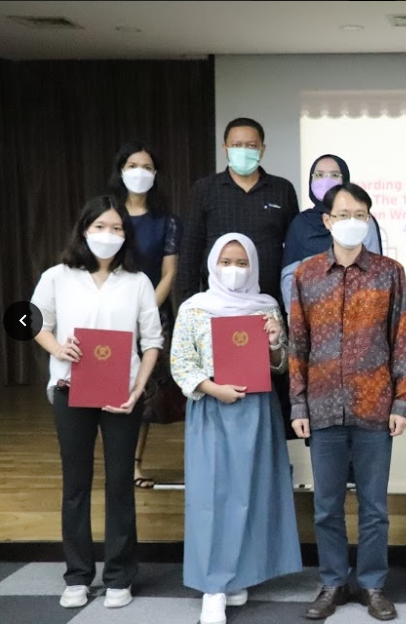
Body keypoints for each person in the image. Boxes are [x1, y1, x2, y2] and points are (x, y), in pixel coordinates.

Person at [31, 195, 163, 610]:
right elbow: (31, 320)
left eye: (117, 228)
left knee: (120, 483)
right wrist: (58, 347)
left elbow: (153, 342)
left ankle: (120, 575)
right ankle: (77, 575)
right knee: (76, 483)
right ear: (84, 230)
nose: (109, 234)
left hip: (122, 394)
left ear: (126, 235)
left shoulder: (138, 282)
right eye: (100, 227)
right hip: (70, 389)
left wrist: (138, 389)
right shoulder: (57, 276)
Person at [289, 183, 406, 622]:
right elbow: (297, 344)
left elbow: (400, 339)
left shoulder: (389, 272)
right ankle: (333, 582)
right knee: (327, 506)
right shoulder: (306, 274)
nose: (352, 222)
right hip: (322, 407)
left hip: (375, 405)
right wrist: (298, 406)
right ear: (327, 221)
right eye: (343, 214)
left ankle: (373, 584)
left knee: (374, 507)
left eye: (360, 214)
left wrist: (401, 403)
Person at [170, 233, 302, 624]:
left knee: (252, 494)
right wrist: (213, 388)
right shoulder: (195, 308)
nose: (234, 270)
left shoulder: (266, 305)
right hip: (212, 409)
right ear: (212, 265)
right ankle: (213, 586)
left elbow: (281, 364)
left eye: (242, 263)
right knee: (213, 496)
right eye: (226, 262)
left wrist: (275, 341)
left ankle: (240, 574)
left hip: (257, 410)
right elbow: (181, 361)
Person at [176, 117, 300, 432]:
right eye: (237, 145)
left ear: (262, 149)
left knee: (268, 385)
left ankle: (267, 446)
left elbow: (293, 251)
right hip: (216, 311)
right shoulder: (205, 189)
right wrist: (190, 303)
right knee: (220, 386)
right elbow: (191, 249)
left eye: (251, 145)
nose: (244, 150)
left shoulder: (282, 189)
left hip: (265, 308)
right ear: (225, 148)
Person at [108, 141, 184, 489]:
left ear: (156, 174)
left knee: (144, 391)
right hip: (110, 311)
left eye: (147, 167)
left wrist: (144, 312)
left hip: (153, 313)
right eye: (133, 166)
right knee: (109, 384)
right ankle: (115, 460)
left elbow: (169, 273)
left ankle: (134, 464)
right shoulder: (108, 215)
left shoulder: (167, 221)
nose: (140, 173)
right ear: (121, 171)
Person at [281, 153, 384, 317]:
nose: (326, 181)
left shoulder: (361, 220)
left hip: (358, 314)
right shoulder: (301, 223)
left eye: (334, 175)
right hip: (313, 316)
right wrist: (298, 317)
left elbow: (375, 271)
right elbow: (289, 278)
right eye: (319, 175)